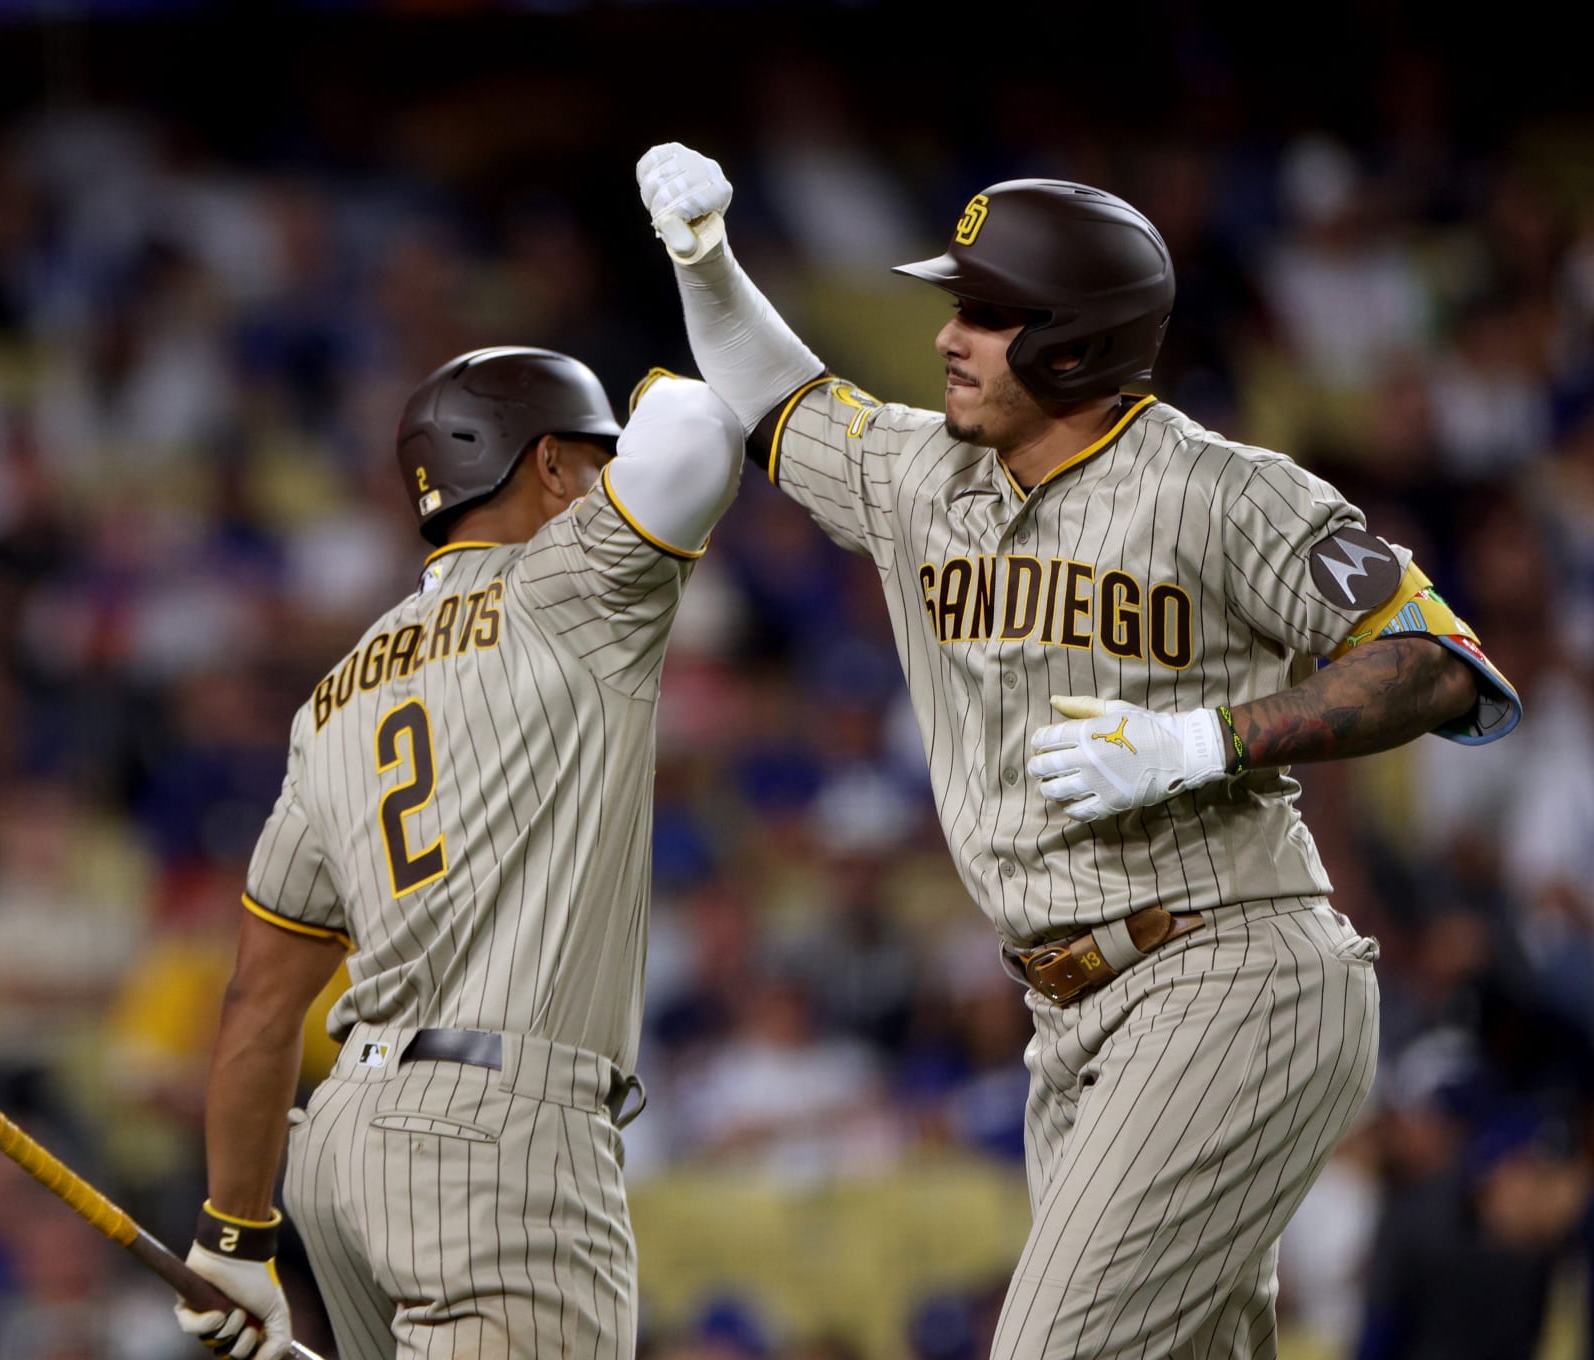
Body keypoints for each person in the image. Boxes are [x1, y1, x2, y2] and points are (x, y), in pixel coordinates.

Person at [635, 145, 1520, 1359]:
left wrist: (1205, 737)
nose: (950, 335)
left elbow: (1437, 662)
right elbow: (774, 398)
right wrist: (708, 261)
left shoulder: (1222, 491)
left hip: (1229, 971)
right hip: (1072, 1015)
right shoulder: (920, 474)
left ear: (1076, 341)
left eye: (989, 314)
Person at [170, 346, 744, 1359]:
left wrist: (234, 1231)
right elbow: (701, 423)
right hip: (500, 1135)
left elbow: (260, 996)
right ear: (551, 466)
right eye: (594, 458)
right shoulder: (572, 585)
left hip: (345, 1142)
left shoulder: (334, 697)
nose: (612, 480)